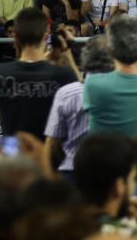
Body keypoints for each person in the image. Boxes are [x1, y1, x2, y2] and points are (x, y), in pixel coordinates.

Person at [0, 7, 78, 136]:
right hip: (47, 153)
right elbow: (80, 96)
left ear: (15, 36)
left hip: (14, 152)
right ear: (46, 35)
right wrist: (67, 53)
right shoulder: (63, 74)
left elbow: (26, 66)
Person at [44, 35, 114, 175]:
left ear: (85, 58)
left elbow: (52, 145)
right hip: (111, 174)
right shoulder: (126, 92)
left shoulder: (66, 93)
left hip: (71, 171)